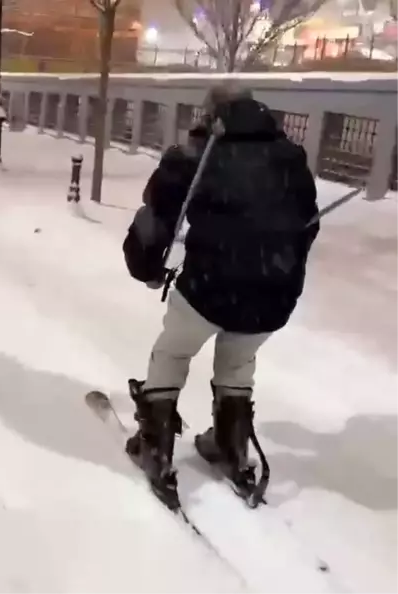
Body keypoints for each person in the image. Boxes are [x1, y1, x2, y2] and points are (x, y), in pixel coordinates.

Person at [122, 84, 320, 511]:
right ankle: (230, 444)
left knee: (174, 350)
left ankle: (154, 445)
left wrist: (148, 268)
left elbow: (157, 219)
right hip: (274, 294)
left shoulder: (197, 155)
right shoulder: (290, 157)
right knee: (239, 358)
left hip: (210, 285)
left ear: (211, 114)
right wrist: (275, 270)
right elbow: (308, 225)